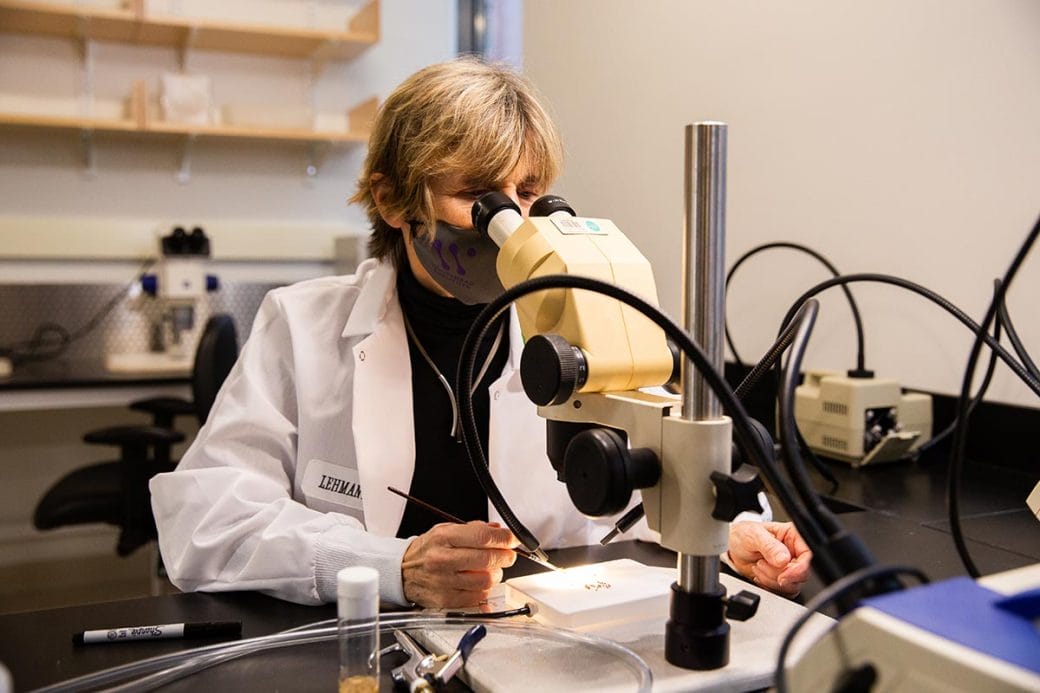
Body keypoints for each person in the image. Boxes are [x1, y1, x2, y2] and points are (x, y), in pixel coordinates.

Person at [150, 57, 811, 610]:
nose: (512, 227)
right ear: (391, 199)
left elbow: (629, 490)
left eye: (528, 195)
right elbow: (209, 519)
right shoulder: (300, 325)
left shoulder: (575, 320)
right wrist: (394, 564)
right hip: (356, 642)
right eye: (480, 197)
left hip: (529, 635)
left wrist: (724, 532)